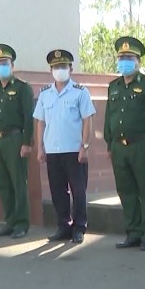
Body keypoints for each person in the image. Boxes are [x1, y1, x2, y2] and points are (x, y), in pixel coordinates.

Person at [103, 37, 145, 251]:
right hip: (119, 147)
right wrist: (110, 144)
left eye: (129, 58)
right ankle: (133, 232)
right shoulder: (114, 87)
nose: (124, 61)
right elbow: (109, 117)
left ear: (138, 61)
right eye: (121, 57)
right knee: (126, 191)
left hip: (143, 146)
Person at [35, 49, 95, 244]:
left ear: (71, 68)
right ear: (50, 70)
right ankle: (63, 225)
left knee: (78, 190)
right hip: (53, 150)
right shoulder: (45, 94)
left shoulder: (80, 91)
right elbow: (40, 123)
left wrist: (85, 146)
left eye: (63, 66)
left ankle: (79, 227)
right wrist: (40, 148)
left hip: (74, 150)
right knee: (57, 191)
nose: (59, 70)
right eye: (55, 67)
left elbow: (88, 120)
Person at [0, 44, 35, 239]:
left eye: (4, 63)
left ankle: (22, 223)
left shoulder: (22, 88)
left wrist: (26, 143)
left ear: (12, 65)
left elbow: (28, 117)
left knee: (18, 183)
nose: (1, 67)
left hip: (15, 139)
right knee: (3, 184)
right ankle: (10, 221)